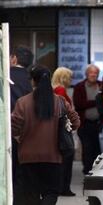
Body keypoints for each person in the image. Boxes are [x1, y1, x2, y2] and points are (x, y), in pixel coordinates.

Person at [11, 65, 80, 205]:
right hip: (53, 157)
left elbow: (13, 127)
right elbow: (75, 122)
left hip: (27, 157)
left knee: (31, 194)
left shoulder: (22, 102)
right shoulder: (60, 101)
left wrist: (20, 137)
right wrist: (64, 130)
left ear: (33, 81)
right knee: (51, 192)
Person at [9, 46, 33, 205]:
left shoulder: (6, 76)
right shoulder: (31, 79)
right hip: (27, 130)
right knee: (21, 169)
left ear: (14, 59)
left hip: (8, 129)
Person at [73, 64, 102, 174]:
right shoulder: (79, 86)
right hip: (85, 124)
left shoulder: (102, 85)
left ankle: (97, 171)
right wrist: (96, 101)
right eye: (91, 72)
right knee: (87, 149)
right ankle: (87, 171)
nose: (93, 75)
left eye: (96, 73)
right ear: (86, 74)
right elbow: (79, 104)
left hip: (99, 124)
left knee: (98, 149)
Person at [51, 67, 76, 196]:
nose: (71, 80)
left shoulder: (54, 89)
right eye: (70, 77)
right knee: (67, 157)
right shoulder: (60, 90)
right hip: (63, 129)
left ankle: (61, 186)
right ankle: (64, 187)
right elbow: (62, 111)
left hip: (57, 129)